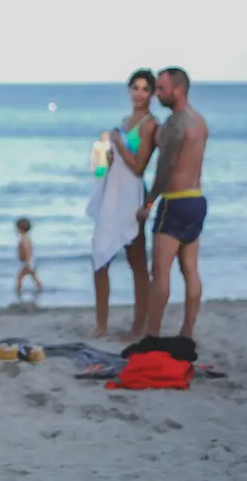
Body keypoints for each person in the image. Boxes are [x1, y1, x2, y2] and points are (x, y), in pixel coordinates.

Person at [136, 67, 208, 339]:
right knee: (190, 268)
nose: (157, 93)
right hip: (196, 200)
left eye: (161, 89)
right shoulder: (199, 121)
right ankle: (187, 331)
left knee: (161, 272)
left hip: (175, 202)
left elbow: (166, 166)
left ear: (177, 90)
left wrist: (149, 202)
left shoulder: (176, 124)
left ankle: (151, 333)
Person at [90, 69, 160, 340]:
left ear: (152, 94)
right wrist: (106, 152)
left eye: (144, 88)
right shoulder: (124, 120)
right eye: (135, 87)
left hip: (132, 199)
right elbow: (113, 162)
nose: (139, 93)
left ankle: (138, 326)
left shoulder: (150, 124)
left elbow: (139, 167)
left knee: (137, 263)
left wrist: (118, 142)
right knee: (99, 257)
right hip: (112, 197)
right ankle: (101, 324)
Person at [15, 217, 43, 299]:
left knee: (19, 277)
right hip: (29, 262)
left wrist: (27, 262)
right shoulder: (26, 238)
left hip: (27, 262)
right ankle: (40, 288)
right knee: (34, 277)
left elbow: (27, 250)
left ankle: (18, 292)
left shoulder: (24, 240)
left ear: (20, 229)